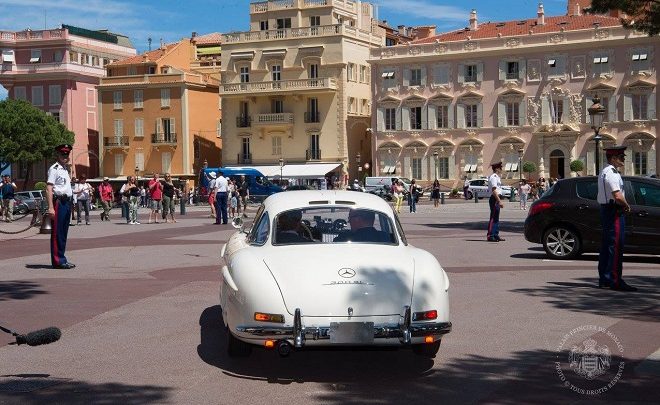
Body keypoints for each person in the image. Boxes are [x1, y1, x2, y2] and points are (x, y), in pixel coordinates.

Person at [597, 146, 636, 292]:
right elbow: (617, 195)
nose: (623, 159)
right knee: (615, 246)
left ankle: (605, 279)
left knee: (607, 246)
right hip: (614, 211)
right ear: (613, 159)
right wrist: (626, 205)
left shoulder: (605, 171)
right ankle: (615, 280)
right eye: (621, 157)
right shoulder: (612, 173)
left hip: (607, 210)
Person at [46, 144, 75, 269]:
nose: (65, 156)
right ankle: (58, 261)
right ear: (57, 155)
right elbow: (49, 188)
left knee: (63, 232)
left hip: (66, 202)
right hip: (59, 202)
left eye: (67, 154)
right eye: (62, 154)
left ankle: (62, 258)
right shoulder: (55, 169)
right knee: (57, 232)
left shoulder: (64, 169)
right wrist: (51, 207)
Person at [487, 162, 505, 242]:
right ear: (497, 169)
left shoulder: (497, 177)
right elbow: (494, 190)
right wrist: (499, 201)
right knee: (493, 218)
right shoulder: (493, 177)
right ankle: (490, 235)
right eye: (500, 168)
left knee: (496, 218)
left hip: (496, 198)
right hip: (494, 198)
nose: (501, 169)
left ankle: (495, 234)